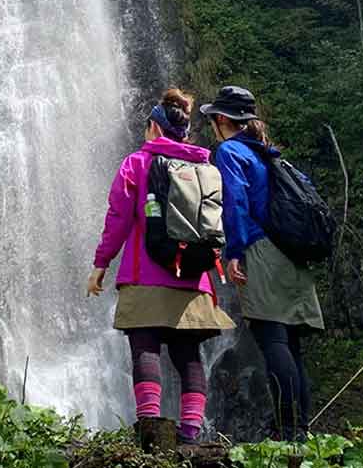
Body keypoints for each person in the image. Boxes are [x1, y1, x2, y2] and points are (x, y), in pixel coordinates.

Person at [87, 88, 234, 445]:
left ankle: (151, 430)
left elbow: (119, 217)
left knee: (146, 347)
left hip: (145, 274)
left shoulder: (137, 163)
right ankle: (189, 435)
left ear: (154, 126)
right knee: (188, 355)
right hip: (194, 278)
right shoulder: (205, 167)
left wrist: (101, 264)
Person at [201, 85, 324, 441]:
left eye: (213, 118)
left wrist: (234, 250)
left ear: (222, 119)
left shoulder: (229, 151)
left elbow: (235, 201)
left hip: (260, 249)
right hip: (290, 253)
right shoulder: (270, 155)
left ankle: (288, 430)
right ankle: (300, 428)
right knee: (290, 343)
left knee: (271, 337)